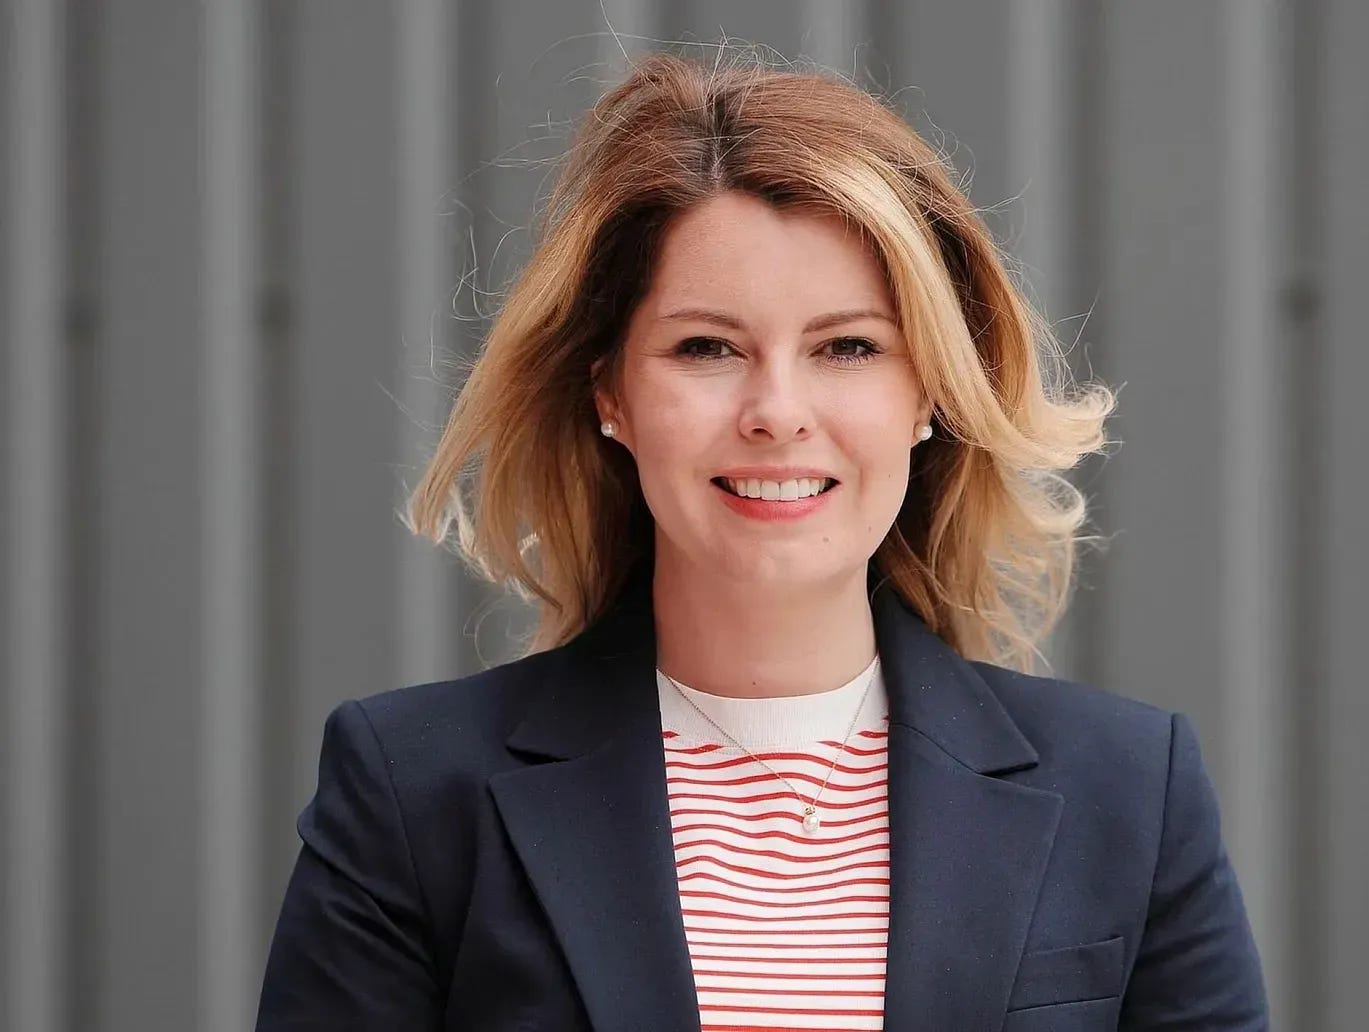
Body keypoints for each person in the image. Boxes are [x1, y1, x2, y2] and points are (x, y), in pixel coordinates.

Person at [255, 48, 1269, 1031]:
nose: (777, 413)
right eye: (706, 347)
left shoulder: (1128, 791)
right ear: (611, 393)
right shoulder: (411, 792)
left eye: (847, 347)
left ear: (929, 392)